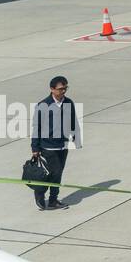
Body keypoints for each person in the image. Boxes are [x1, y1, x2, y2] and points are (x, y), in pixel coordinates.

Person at [30, 76, 80, 210]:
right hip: (48, 146)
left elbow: (72, 121)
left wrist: (75, 137)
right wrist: (35, 148)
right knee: (53, 172)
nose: (63, 91)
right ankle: (40, 193)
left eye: (65, 88)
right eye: (61, 89)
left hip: (63, 145)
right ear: (52, 89)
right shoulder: (43, 105)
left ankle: (53, 200)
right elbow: (37, 127)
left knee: (58, 173)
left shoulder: (68, 102)